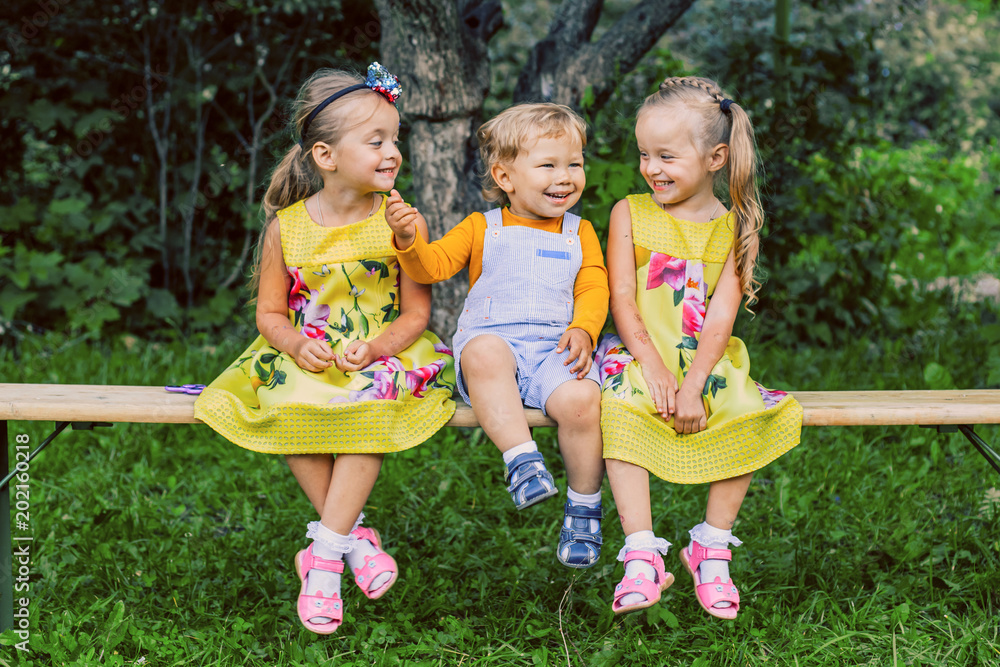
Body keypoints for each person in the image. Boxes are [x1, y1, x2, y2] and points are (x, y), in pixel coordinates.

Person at [194, 64, 455, 635]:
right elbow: (268, 313)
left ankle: (324, 561)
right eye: (376, 141)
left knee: (370, 406)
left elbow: (417, 313)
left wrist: (379, 346)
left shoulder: (400, 222)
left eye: (395, 140)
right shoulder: (285, 227)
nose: (392, 153)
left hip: (380, 353)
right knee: (288, 406)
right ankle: (356, 540)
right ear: (325, 155)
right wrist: (292, 342)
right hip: (309, 353)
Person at [597, 76, 803, 618]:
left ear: (715, 157)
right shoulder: (630, 213)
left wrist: (692, 383)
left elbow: (721, 317)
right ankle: (641, 554)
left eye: (666, 155)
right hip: (641, 350)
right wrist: (657, 371)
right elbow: (623, 299)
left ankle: (710, 548)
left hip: (702, 355)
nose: (651, 168)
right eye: (643, 154)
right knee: (619, 404)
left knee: (744, 408)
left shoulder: (734, 226)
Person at [383, 103, 609, 569]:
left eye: (575, 163)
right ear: (505, 177)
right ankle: (522, 459)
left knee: (583, 399)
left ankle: (584, 506)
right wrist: (408, 243)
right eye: (548, 165)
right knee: (484, 353)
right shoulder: (481, 227)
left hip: (555, 347)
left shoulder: (579, 231)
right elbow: (434, 267)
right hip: (494, 345)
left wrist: (584, 329)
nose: (565, 176)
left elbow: (592, 285)